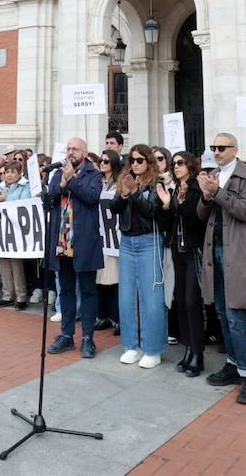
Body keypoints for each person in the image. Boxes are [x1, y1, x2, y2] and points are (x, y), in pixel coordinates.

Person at [197, 132, 246, 406]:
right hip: (215, 249)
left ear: (234, 150)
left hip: (236, 251)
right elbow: (202, 215)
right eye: (213, 147)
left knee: (236, 314)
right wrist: (206, 197)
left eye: (221, 147)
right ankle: (233, 364)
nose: (216, 151)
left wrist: (217, 193)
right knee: (222, 311)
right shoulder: (212, 174)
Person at [109, 143, 169, 369]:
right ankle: (131, 345)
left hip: (148, 242)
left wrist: (134, 193)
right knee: (126, 296)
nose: (134, 164)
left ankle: (153, 348)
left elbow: (152, 212)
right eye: (132, 160)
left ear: (149, 162)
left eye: (139, 160)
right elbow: (113, 209)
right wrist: (124, 195)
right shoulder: (125, 179)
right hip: (126, 242)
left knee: (151, 297)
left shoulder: (156, 183)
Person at [46, 138, 103, 359]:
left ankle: (88, 338)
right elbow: (49, 197)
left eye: (75, 149)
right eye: (68, 149)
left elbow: (91, 197)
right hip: (62, 241)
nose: (71, 152)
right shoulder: (58, 173)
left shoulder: (93, 173)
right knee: (66, 290)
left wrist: (70, 180)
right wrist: (62, 182)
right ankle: (67, 335)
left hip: (83, 242)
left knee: (87, 291)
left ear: (85, 153)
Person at [165, 150, 206, 376]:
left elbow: (195, 220)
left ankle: (198, 353)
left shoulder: (197, 188)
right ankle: (189, 348)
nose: (176, 166)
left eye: (181, 163)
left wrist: (181, 202)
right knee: (180, 300)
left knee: (192, 301)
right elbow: (171, 219)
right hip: (177, 251)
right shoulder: (174, 188)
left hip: (193, 251)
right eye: (174, 164)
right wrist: (167, 204)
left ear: (190, 166)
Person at [0, 159, 30, 307]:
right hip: (2, 228)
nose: (9, 175)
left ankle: (21, 297)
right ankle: (7, 294)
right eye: (7, 172)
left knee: (16, 263)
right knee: (3, 262)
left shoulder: (25, 186)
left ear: (20, 173)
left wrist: (7, 199)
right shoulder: (0, 187)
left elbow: (25, 202)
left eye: (13, 172)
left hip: (17, 229)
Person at [93, 150, 122, 332]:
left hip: (114, 238)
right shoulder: (97, 182)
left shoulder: (118, 183)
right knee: (99, 279)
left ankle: (116, 317)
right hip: (99, 237)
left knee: (114, 279)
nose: (102, 164)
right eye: (101, 161)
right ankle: (102, 315)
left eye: (106, 161)